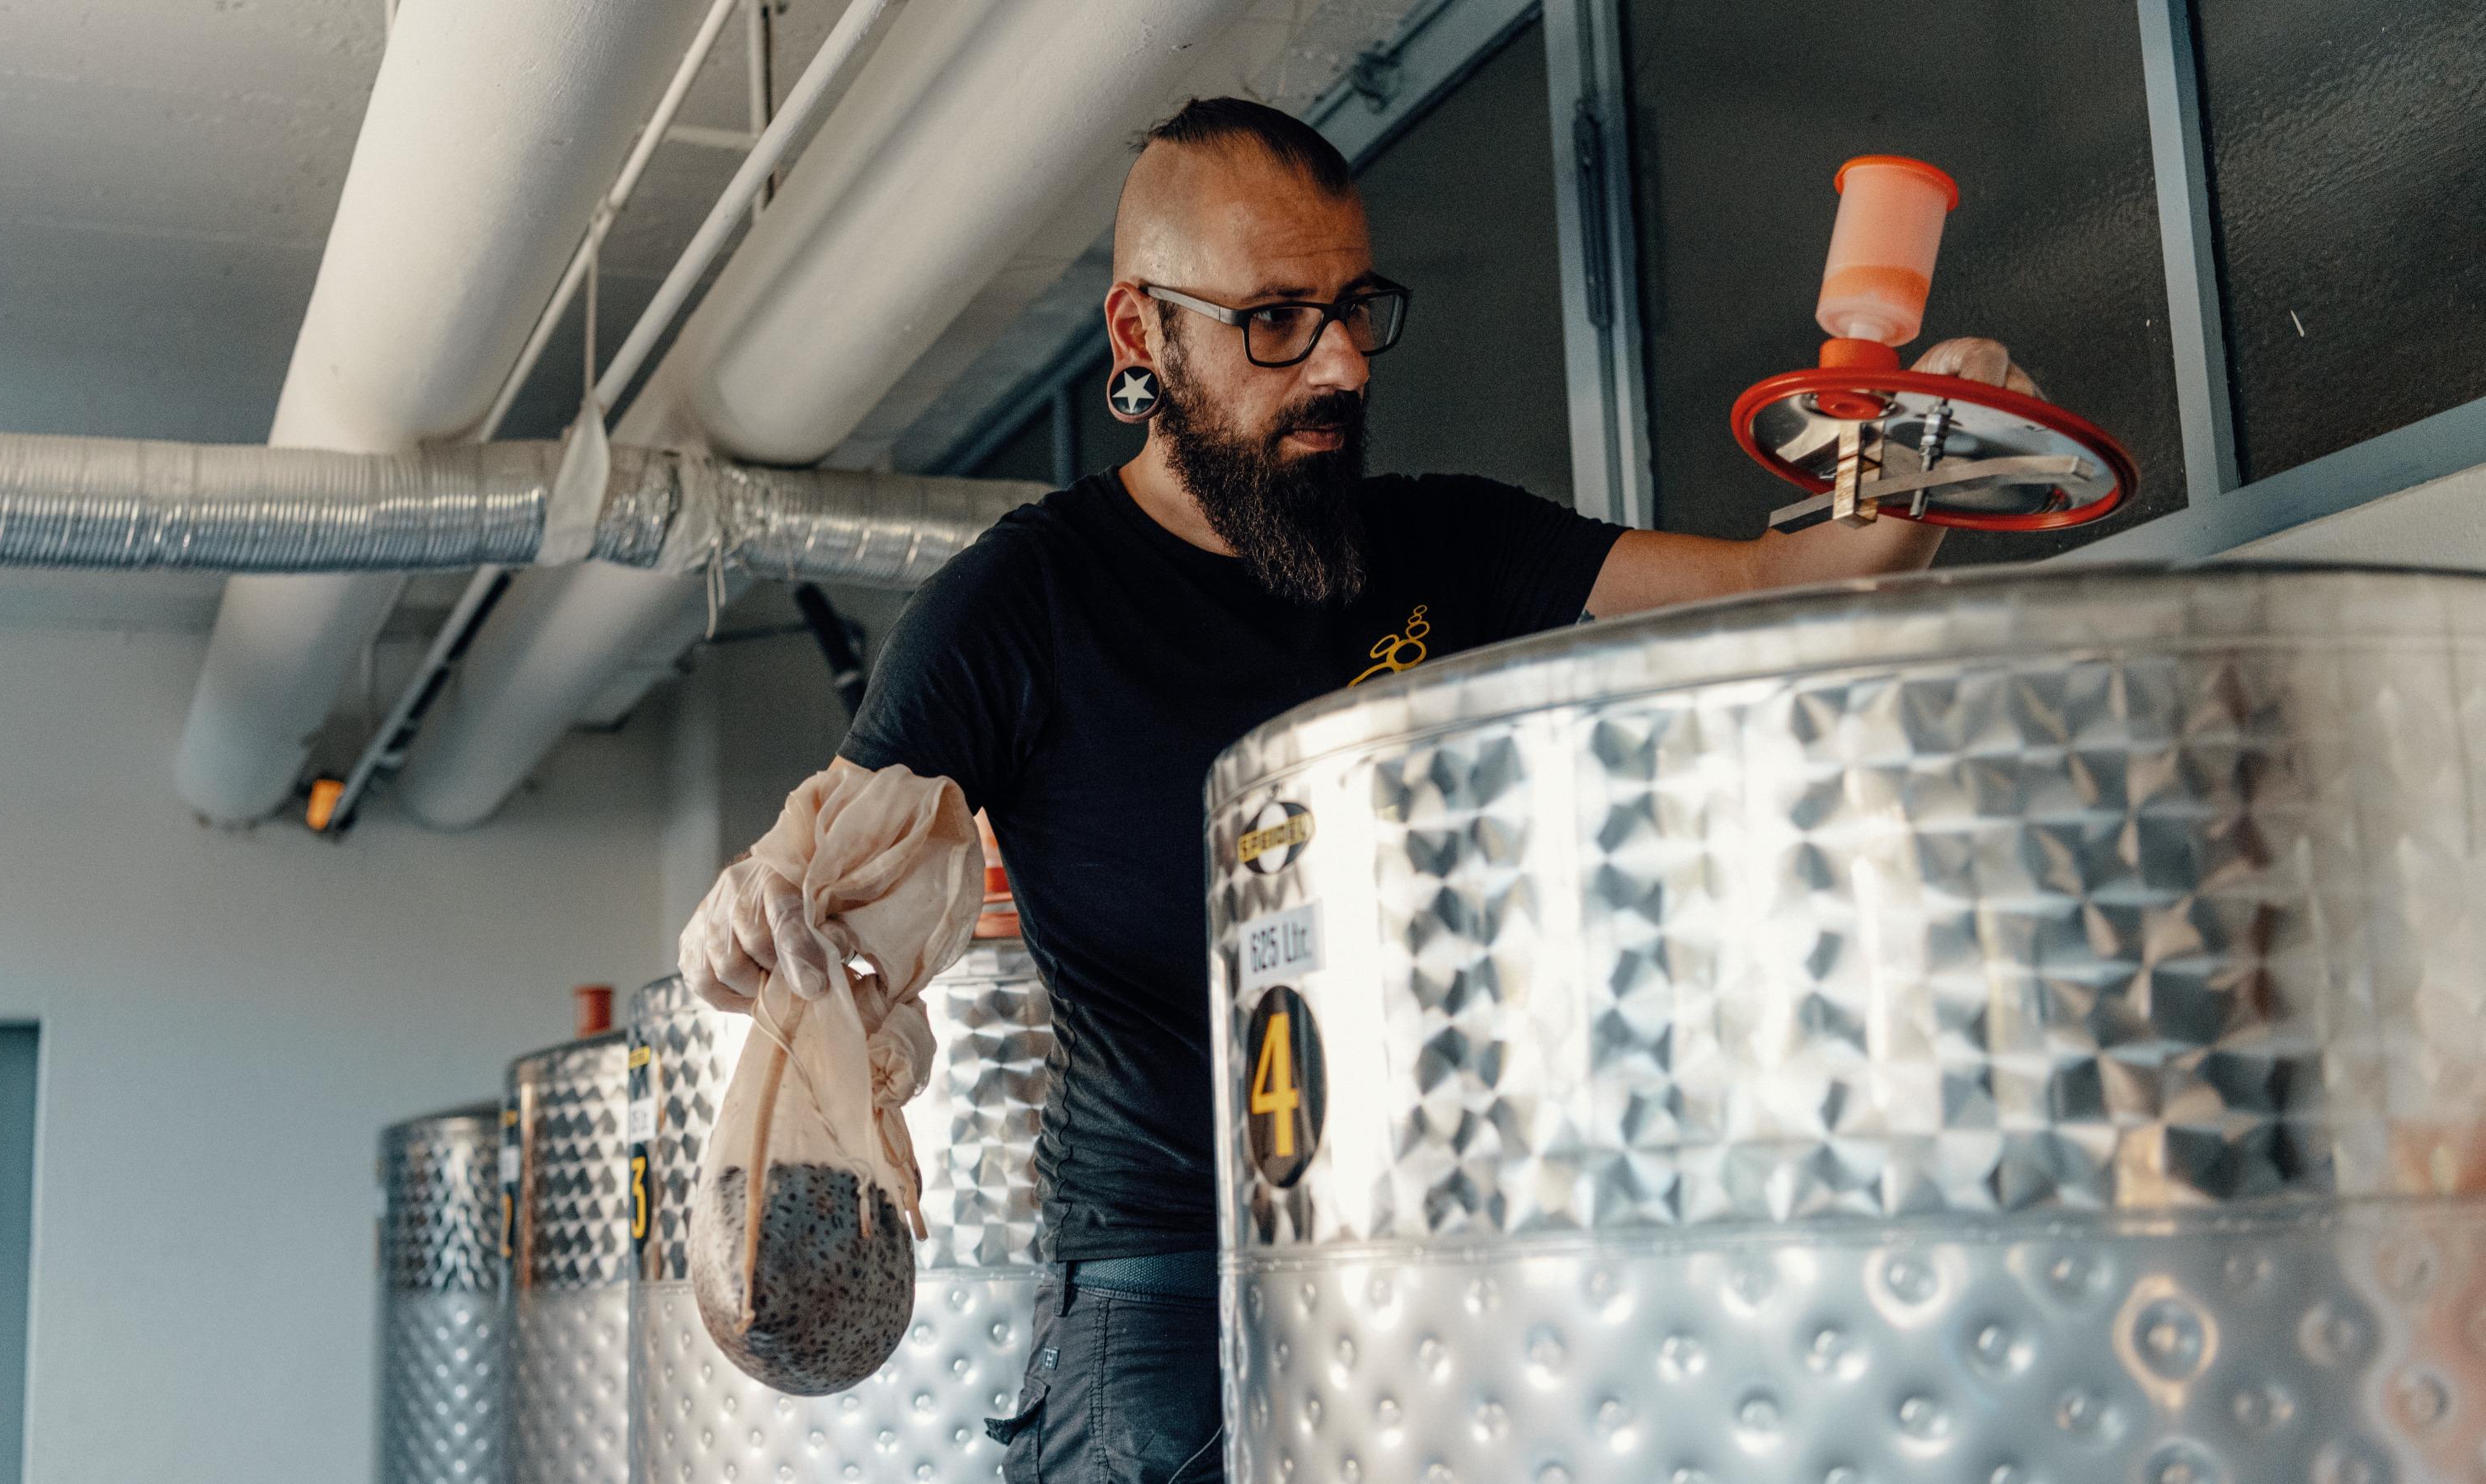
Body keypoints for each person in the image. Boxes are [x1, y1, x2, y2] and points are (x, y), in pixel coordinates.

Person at [682, 96, 2040, 1482]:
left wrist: (1926, 444)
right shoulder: (1023, 605)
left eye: (1352, 309)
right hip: (1165, 1302)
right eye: (1276, 320)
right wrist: (751, 916)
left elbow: (1777, 585)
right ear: (1142, 335)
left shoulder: (1443, 544)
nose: (1337, 363)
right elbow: (826, 866)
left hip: (1431, 1264)